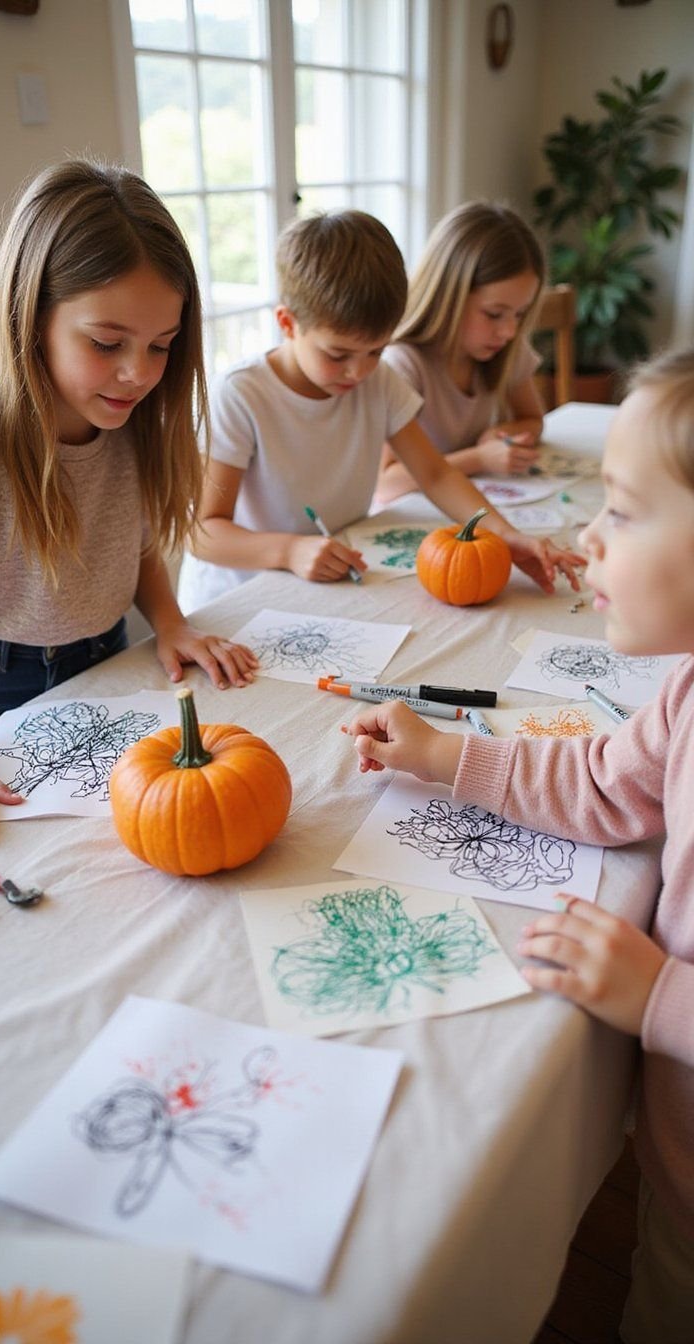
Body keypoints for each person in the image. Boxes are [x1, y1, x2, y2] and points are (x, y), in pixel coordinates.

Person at [347, 348, 694, 1343]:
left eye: (621, 513)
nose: (586, 536)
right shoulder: (683, 691)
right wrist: (446, 756)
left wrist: (659, 995)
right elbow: (599, 782)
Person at [0, 159, 256, 855]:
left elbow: (128, 537)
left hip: (107, 653)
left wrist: (168, 622)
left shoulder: (134, 412)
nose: (138, 372)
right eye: (107, 343)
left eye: (161, 346)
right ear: (31, 314)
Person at [179, 209, 581, 611]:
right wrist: (288, 551)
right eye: (339, 354)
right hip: (235, 602)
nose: (360, 371)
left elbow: (436, 474)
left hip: (321, 588)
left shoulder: (379, 381)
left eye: (376, 350)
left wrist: (504, 534)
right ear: (288, 322)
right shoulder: (241, 395)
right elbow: (203, 533)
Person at [376, 201, 547, 504]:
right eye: (494, 314)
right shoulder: (403, 364)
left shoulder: (505, 346)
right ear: (448, 297)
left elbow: (532, 418)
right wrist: (479, 458)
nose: (508, 331)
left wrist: (502, 434)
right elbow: (386, 483)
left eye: (520, 314)